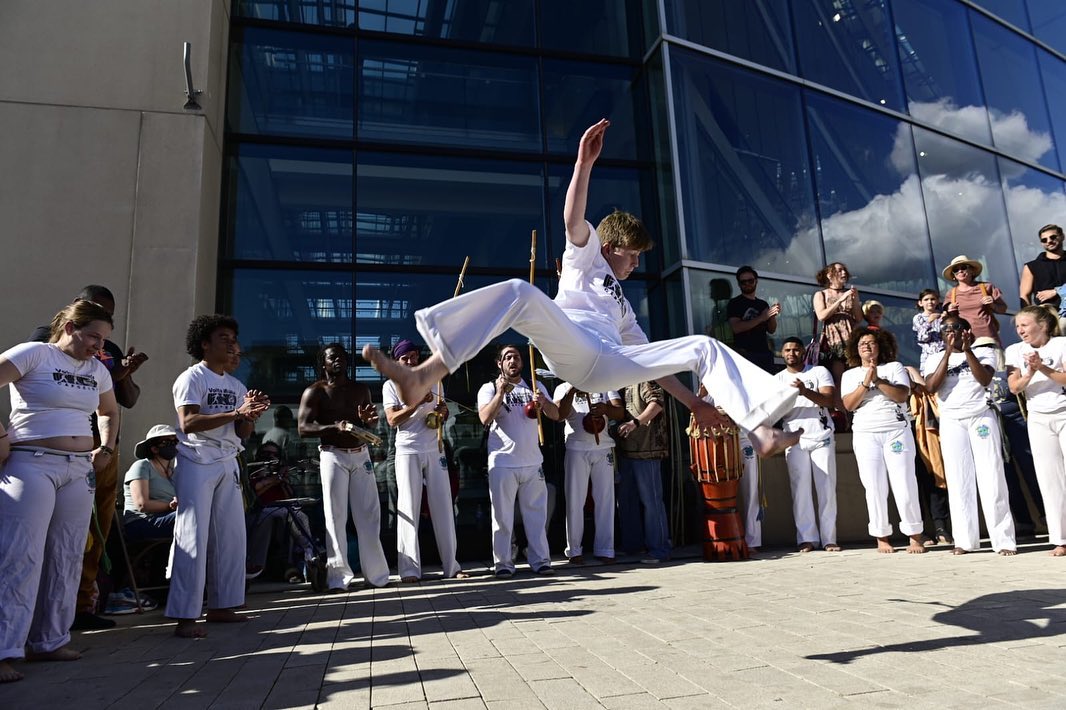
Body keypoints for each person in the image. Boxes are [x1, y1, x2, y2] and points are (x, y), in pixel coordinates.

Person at [361, 119, 800, 459]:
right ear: (610, 247)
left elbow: (658, 366)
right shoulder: (586, 257)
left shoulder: (624, 309)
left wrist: (693, 404)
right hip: (571, 344)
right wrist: (583, 164)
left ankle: (759, 430)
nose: (635, 262)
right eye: (631, 254)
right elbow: (573, 219)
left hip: (608, 363)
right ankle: (426, 373)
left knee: (703, 346)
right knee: (520, 290)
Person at [0, 300, 119, 683]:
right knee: (21, 554)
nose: (98, 347)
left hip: (78, 470)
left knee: (68, 554)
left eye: (103, 340)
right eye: (93, 337)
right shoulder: (34, 354)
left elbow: (110, 411)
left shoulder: (97, 369)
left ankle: (49, 639)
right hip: (31, 462)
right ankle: (4, 649)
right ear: (69, 327)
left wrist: (107, 447)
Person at [30, 285, 149, 631]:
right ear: (76, 309)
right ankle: (37, 614)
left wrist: (124, 372)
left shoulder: (106, 349)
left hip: (100, 451)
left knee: (93, 530)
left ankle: (81, 604)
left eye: (109, 313)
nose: (102, 321)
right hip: (50, 452)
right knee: (44, 532)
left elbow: (124, 400)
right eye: (96, 309)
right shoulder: (43, 341)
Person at [166, 315, 270, 638]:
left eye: (233, 338)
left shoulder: (237, 386)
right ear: (204, 344)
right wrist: (237, 412)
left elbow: (243, 432)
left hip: (227, 461)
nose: (231, 344)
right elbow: (189, 422)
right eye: (223, 337)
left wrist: (251, 414)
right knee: (193, 536)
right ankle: (185, 616)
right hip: (196, 460)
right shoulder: (191, 378)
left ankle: (222, 606)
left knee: (231, 536)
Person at [297, 344, 390, 590]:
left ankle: (377, 576)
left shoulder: (361, 389)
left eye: (341, 357)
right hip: (332, 455)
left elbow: (367, 423)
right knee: (335, 516)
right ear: (323, 363)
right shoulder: (315, 392)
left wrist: (369, 421)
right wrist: (332, 428)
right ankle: (338, 578)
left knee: (370, 516)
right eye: (331, 357)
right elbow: (303, 428)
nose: (337, 360)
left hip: (361, 454)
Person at [923, 315, 1016, 556]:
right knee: (958, 480)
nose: (950, 332)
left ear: (966, 332)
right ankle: (964, 541)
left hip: (981, 416)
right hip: (952, 420)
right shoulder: (933, 357)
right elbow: (931, 387)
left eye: (955, 327)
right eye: (945, 329)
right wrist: (946, 354)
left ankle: (1003, 540)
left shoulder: (983, 352)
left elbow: (984, 379)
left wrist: (967, 352)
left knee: (992, 476)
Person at [382, 339, 466, 583]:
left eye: (414, 356)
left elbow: (442, 411)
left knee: (443, 506)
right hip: (407, 450)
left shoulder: (435, 380)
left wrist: (442, 413)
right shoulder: (391, 385)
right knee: (408, 506)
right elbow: (392, 420)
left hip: (434, 448)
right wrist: (417, 401)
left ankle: (452, 566)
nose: (410, 361)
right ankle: (409, 570)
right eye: (405, 358)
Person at [841, 328, 927, 553]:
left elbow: (901, 395)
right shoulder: (849, 375)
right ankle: (881, 536)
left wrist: (877, 379)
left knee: (905, 482)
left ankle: (914, 534)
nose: (867, 347)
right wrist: (864, 383)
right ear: (855, 349)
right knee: (873, 485)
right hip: (866, 433)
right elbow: (849, 405)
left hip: (896, 430)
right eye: (862, 344)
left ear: (880, 346)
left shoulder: (894, 368)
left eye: (871, 343)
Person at [478, 345, 561, 577]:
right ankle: (503, 563)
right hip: (503, 463)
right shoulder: (488, 388)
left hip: (532, 462)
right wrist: (500, 393)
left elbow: (556, 415)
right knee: (502, 518)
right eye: (507, 357)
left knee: (536, 516)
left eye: (516, 357)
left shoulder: (535, 385)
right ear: (499, 364)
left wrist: (544, 402)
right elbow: (484, 417)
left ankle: (541, 560)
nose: (513, 361)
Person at [1005, 305, 1066, 556]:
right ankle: (1060, 539)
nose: (1021, 330)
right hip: (1038, 418)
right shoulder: (1014, 351)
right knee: (1050, 479)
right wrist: (1030, 370)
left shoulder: (1061, 344)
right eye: (1018, 326)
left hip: (1064, 412)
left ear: (1043, 325)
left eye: (1025, 325)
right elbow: (1014, 387)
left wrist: (1043, 367)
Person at [774, 337, 840, 553]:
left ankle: (829, 538)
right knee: (800, 489)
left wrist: (804, 391)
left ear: (803, 352)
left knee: (826, 488)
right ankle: (807, 538)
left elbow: (829, 401)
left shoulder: (818, 372)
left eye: (795, 349)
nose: (791, 353)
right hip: (794, 438)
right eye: (787, 350)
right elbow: (773, 412)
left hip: (821, 435)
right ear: (781, 354)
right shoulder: (777, 379)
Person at [554, 382, 623, 565]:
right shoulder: (563, 388)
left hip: (604, 447)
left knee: (605, 500)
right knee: (575, 499)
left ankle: (606, 549)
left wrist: (605, 409)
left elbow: (619, 411)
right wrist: (572, 391)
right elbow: (559, 415)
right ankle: (574, 549)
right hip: (576, 447)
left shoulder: (604, 382)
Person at [614, 381, 671, 564]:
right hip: (627, 447)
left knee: (652, 500)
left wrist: (636, 422)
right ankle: (633, 546)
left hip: (648, 449)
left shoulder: (645, 376)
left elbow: (657, 403)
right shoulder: (623, 378)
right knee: (626, 500)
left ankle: (659, 549)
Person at [122, 425, 179, 541]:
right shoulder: (142, 466)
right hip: (142, 522)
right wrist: (170, 506)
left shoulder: (174, 472)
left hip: (167, 518)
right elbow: (141, 505)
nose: (173, 444)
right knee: (189, 518)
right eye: (166, 442)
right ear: (154, 448)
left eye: (175, 441)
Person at [813, 262, 863, 392]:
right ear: (829, 275)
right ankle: (840, 411)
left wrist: (855, 299)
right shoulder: (821, 295)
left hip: (851, 339)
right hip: (833, 341)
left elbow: (858, 318)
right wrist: (840, 300)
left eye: (844, 270)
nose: (844, 273)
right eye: (839, 271)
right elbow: (822, 315)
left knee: (856, 377)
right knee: (839, 380)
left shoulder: (848, 294)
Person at [942, 255, 1008, 345]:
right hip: (965, 339)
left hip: (988, 337)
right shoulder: (951, 293)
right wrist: (950, 311)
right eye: (956, 270)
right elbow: (948, 318)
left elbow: (1003, 309)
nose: (960, 271)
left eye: (964, 267)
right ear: (954, 276)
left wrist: (992, 304)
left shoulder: (986, 287)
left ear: (972, 270)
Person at [726, 266, 779, 372]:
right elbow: (736, 327)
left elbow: (772, 330)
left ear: (756, 281)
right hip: (745, 354)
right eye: (743, 282)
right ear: (739, 284)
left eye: (750, 281)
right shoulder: (735, 303)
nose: (747, 284)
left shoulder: (762, 304)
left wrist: (772, 315)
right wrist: (762, 317)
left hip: (764, 353)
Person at [1019, 224, 1066, 310]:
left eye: (1053, 237)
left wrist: (1056, 291)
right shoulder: (1031, 267)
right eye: (1044, 240)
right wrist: (1029, 317)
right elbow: (1024, 295)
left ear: (1062, 237)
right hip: (1047, 317)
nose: (1049, 241)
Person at [912, 289, 945, 371]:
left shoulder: (943, 316)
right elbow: (923, 337)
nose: (930, 302)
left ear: (937, 301)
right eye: (926, 299)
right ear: (920, 303)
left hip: (944, 353)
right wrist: (929, 321)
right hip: (928, 355)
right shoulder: (918, 318)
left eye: (933, 299)